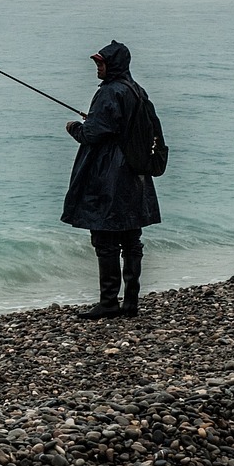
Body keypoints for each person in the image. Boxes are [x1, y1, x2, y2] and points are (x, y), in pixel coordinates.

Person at [62, 40, 161, 319]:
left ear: (114, 64)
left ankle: (108, 303)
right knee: (131, 240)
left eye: (101, 63)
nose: (98, 68)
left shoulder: (110, 92)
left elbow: (92, 134)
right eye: (97, 63)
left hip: (109, 175)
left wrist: (74, 127)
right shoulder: (137, 90)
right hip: (135, 173)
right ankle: (130, 302)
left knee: (105, 239)